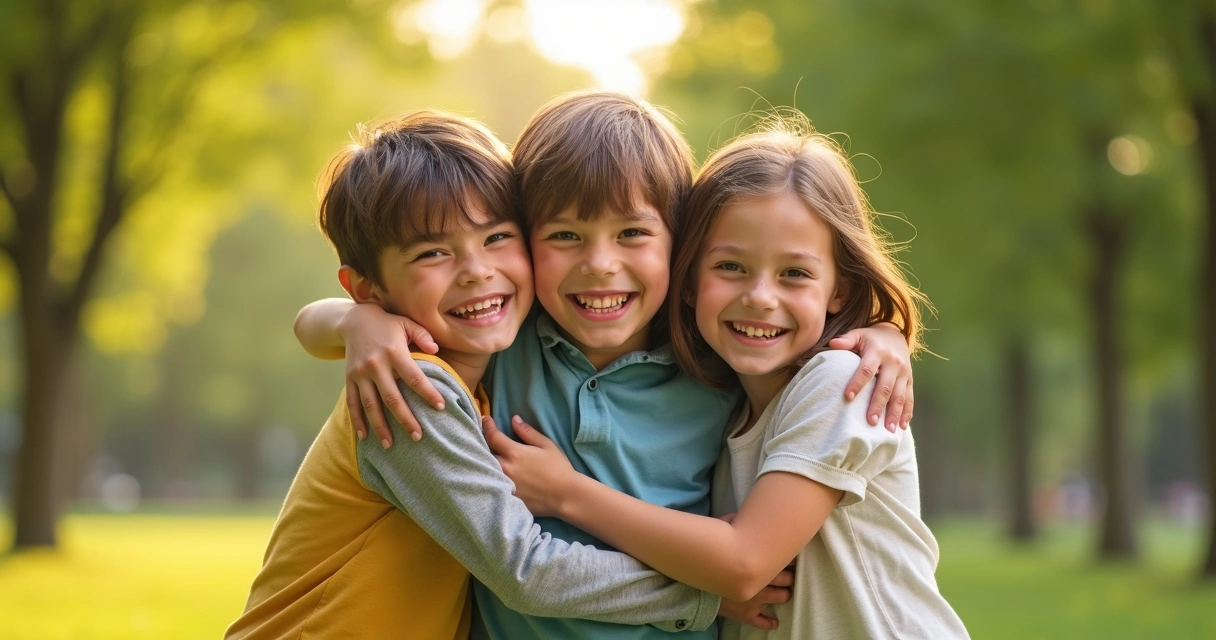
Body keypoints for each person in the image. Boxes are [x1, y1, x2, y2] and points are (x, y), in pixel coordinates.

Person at [294, 92, 915, 638]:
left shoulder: (713, 362)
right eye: (564, 236)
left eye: (633, 235)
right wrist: (354, 320)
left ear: (681, 247)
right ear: (529, 237)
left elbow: (792, 340)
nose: (599, 264)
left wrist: (885, 334)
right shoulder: (501, 347)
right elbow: (344, 316)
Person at [227, 110, 750, 640]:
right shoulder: (410, 387)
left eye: (496, 238)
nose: (477, 271)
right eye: (433, 252)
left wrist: (838, 335)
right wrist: (708, 593)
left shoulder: (505, 346)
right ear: (368, 288)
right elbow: (525, 571)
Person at [485, 122, 970, 639]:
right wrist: (383, 319)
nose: (760, 296)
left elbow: (743, 563)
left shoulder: (842, 382)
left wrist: (564, 493)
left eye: (795, 274)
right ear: (689, 276)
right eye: (731, 266)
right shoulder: (726, 397)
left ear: (838, 288)